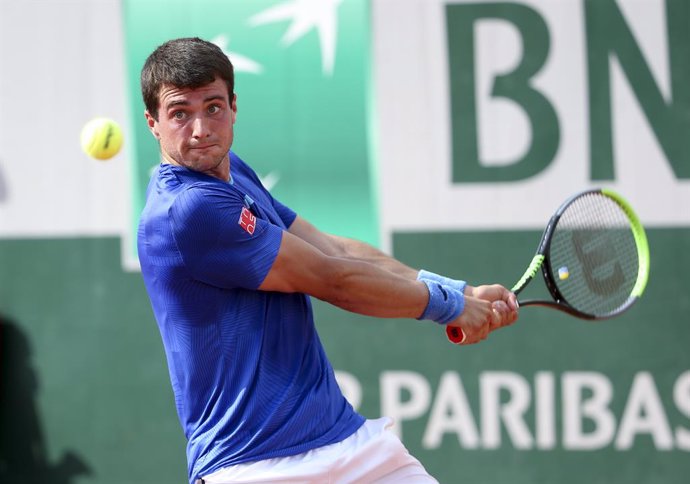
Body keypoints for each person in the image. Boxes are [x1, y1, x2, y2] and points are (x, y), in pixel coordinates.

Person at [137, 37, 518, 484]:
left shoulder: (231, 169)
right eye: (180, 113)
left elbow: (332, 248)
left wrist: (460, 291)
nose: (201, 128)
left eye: (213, 107)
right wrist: (450, 308)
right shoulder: (188, 210)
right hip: (252, 466)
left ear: (234, 107)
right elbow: (332, 278)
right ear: (153, 123)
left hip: (347, 443)